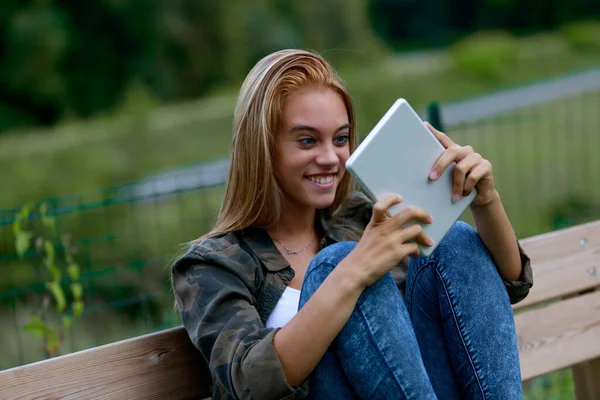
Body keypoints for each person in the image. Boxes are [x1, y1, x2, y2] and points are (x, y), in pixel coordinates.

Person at [171, 49, 533, 400]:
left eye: (341, 138)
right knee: (335, 264)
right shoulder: (213, 265)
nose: (331, 158)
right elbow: (249, 382)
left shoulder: (360, 218)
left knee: (453, 239)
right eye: (308, 140)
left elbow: (499, 291)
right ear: (263, 147)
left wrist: (485, 203)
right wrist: (355, 270)